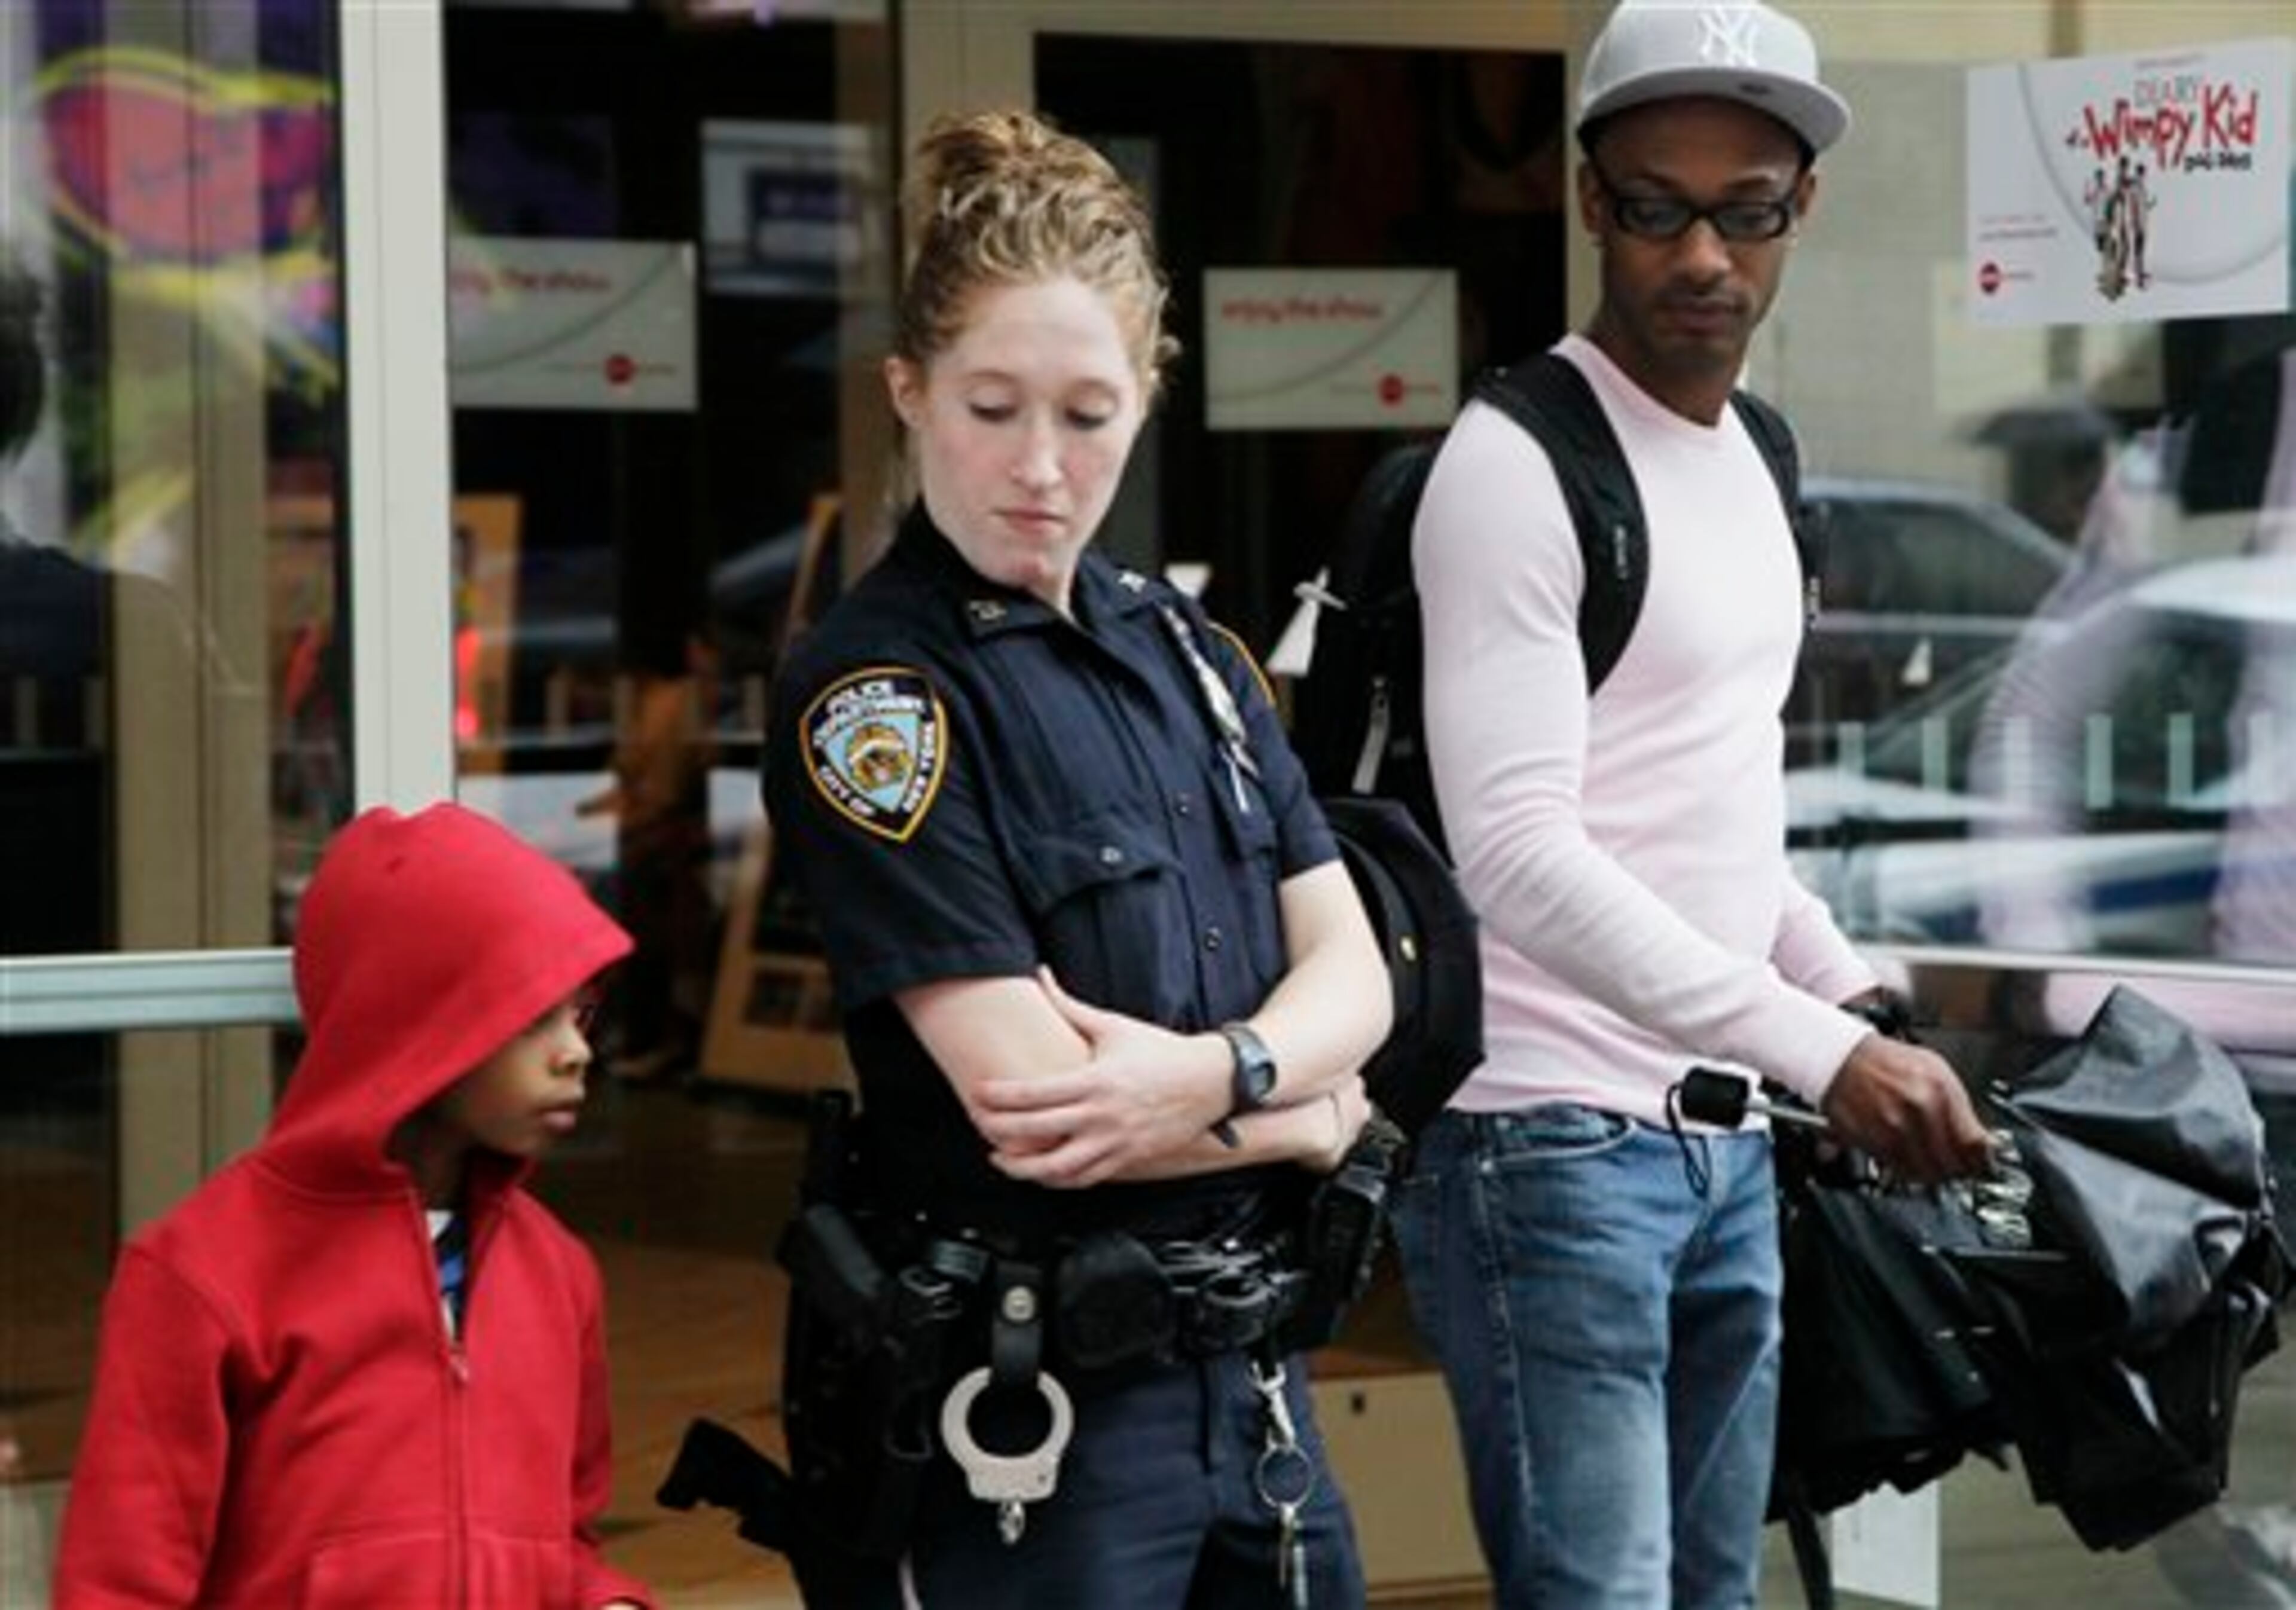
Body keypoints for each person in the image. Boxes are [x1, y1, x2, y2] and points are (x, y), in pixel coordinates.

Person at [1394, 2, 1996, 1605]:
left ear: (1803, 209)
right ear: (1590, 201)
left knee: (1710, 1589)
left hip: (1725, 1146)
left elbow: (1713, 811)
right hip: (1545, 1143)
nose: (1704, 256)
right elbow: (1515, 850)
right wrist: (1823, 1049)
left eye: (1751, 209)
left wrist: (1838, 983)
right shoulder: (1518, 464)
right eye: (1659, 207)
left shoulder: (1757, 455)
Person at [761, 108, 1392, 1606]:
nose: (1040, 466)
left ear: (1145, 403)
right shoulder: (877, 696)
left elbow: (1357, 971)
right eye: (992, 407)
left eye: (1088, 413)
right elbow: (1037, 1111)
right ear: (908, 393)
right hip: (1039, 1418)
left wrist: (1210, 1078)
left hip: (1257, 1391)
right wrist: (1304, 1114)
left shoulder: (1196, 656)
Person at [52, 802, 654, 1609]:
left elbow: (567, 1540)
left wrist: (605, 1603)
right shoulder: (201, 1272)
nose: (576, 1049)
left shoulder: (560, 1272)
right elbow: (120, 1583)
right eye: (532, 1014)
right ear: (420, 1022)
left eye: (580, 1013)